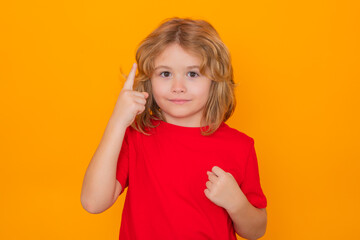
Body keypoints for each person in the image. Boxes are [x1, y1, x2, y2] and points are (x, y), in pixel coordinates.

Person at [81, 17, 267, 240]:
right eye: (165, 74)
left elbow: (256, 231)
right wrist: (117, 122)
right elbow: (93, 202)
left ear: (215, 80)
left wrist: (237, 204)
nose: (178, 87)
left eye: (192, 74)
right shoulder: (137, 137)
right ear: (149, 79)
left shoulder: (240, 146)